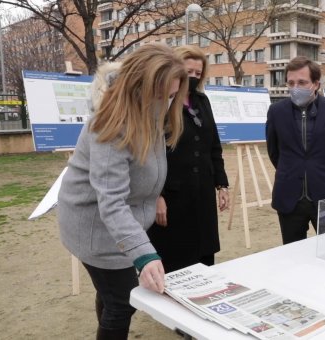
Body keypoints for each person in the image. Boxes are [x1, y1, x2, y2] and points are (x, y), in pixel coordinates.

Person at [57, 43, 188, 339]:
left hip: (119, 226)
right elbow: (112, 202)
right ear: (138, 86)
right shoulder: (110, 126)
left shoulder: (149, 116)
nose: (165, 104)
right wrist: (143, 255)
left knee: (110, 292)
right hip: (95, 228)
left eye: (170, 96)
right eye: (159, 95)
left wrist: (156, 197)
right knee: (121, 301)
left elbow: (144, 173)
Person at [147, 45, 230, 273]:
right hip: (172, 197)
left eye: (197, 73)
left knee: (204, 259)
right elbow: (148, 154)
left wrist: (221, 184)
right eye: (188, 71)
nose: (192, 77)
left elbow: (213, 145)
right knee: (174, 259)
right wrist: (156, 195)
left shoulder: (202, 101)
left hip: (202, 194)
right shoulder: (160, 103)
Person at [266, 56, 325, 244]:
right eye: (291, 82)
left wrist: (324, 171)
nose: (295, 87)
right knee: (292, 256)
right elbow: (274, 152)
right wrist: (293, 170)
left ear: (315, 84)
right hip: (289, 197)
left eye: (302, 82)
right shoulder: (276, 111)